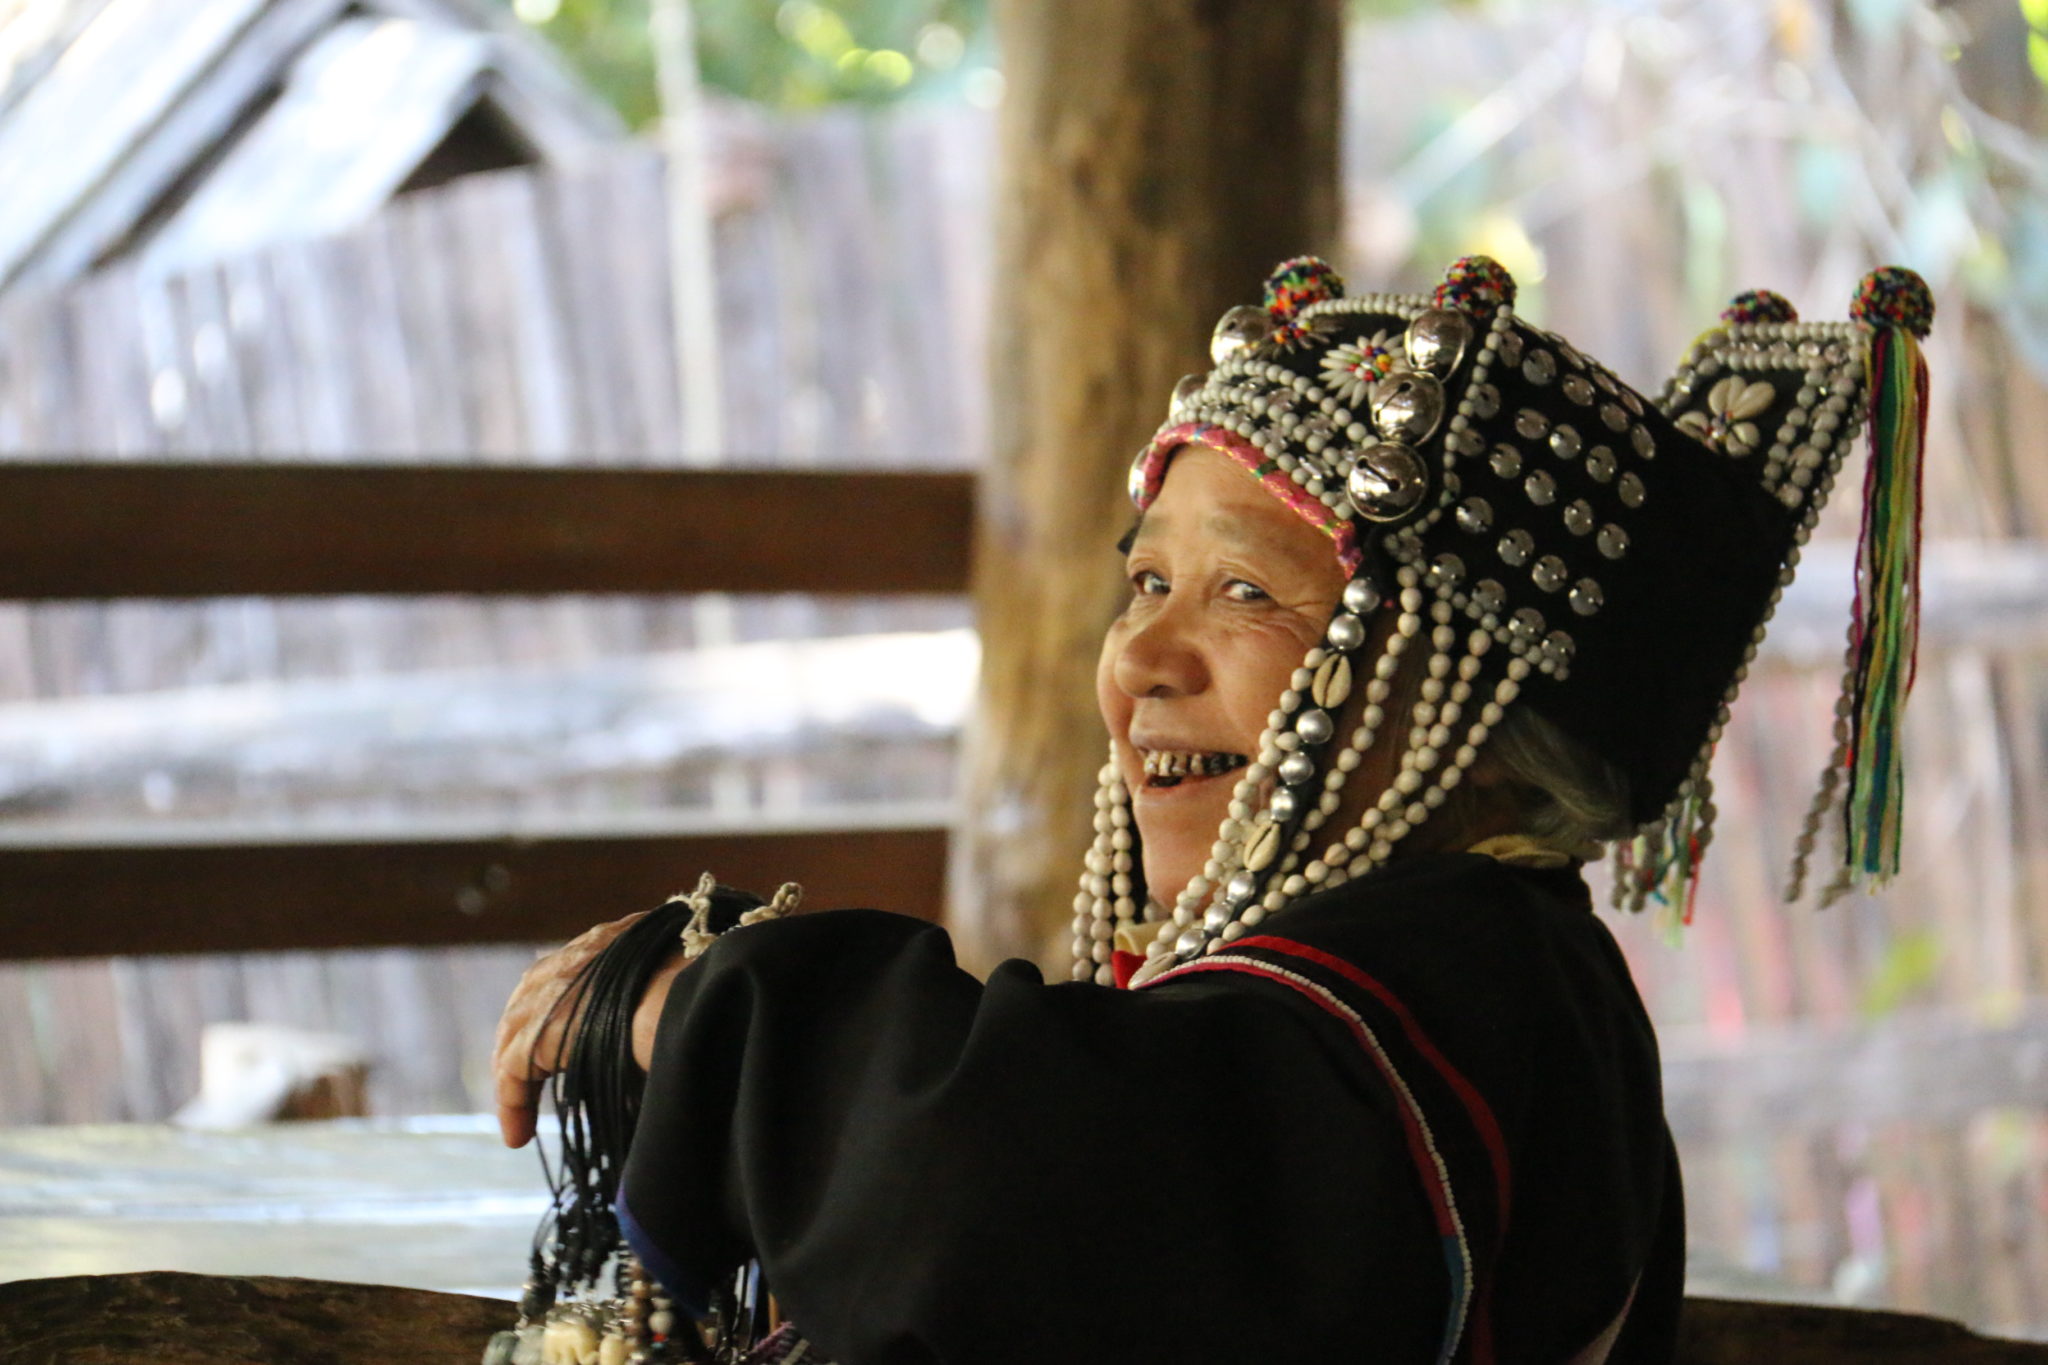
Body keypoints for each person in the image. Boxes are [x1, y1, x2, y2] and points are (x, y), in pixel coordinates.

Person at [493, 255, 1934, 1364]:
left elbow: (1020, 1181)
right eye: (1148, 582)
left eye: (1248, 591)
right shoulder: (1418, 979)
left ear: (1482, 716)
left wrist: (712, 1010)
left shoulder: (1450, 984)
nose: (1143, 662)